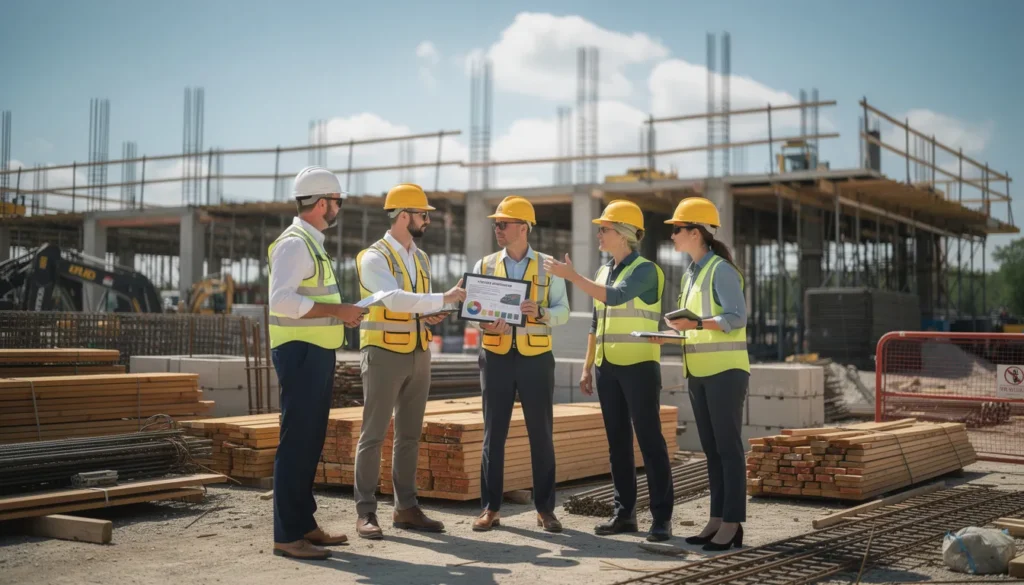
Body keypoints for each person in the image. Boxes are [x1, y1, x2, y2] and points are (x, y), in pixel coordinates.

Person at [543, 199, 674, 543]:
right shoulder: (602, 272)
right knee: (617, 445)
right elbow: (597, 324)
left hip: (640, 366)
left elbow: (615, 298)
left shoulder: (646, 271)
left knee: (650, 442)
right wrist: (587, 366)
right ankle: (624, 515)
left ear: (624, 234)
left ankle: (662, 518)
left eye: (604, 229)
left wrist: (572, 277)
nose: (598, 234)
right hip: (607, 368)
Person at [353, 183, 466, 540]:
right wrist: (443, 297)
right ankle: (366, 511)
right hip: (383, 353)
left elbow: (416, 305)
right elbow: (394, 300)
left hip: (419, 351)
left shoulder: (421, 258)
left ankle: (406, 507)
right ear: (404, 216)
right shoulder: (373, 257)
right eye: (423, 215)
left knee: (409, 436)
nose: (427, 220)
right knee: (373, 435)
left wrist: (433, 313)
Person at [268, 166, 367, 560]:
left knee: (309, 442)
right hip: (300, 353)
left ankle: (303, 523)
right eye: (337, 201)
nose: (339, 208)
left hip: (315, 352)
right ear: (322, 203)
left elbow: (311, 299)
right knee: (296, 442)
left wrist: (341, 313)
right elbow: (282, 301)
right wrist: (338, 311)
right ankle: (287, 535)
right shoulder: (295, 244)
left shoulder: (311, 243)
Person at [468, 196, 570, 533]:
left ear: (523, 228)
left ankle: (545, 510)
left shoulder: (548, 266)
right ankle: (490, 508)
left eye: (503, 223)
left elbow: (563, 311)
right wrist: (484, 324)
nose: (497, 229)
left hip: (536, 359)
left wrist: (541, 312)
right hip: (495, 357)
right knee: (493, 435)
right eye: (495, 224)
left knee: (541, 434)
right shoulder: (484, 265)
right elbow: (473, 311)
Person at [658, 197, 749, 551]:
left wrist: (695, 323)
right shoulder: (692, 273)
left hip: (725, 372)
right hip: (698, 371)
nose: (672, 236)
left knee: (729, 449)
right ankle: (716, 518)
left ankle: (733, 523)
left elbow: (737, 317)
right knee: (711, 450)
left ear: (695, 233)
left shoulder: (721, 270)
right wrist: (670, 333)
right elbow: (694, 324)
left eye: (677, 229)